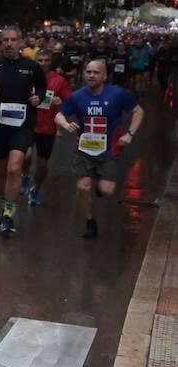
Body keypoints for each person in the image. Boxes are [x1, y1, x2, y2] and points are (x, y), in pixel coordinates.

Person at [56, 59, 143, 239]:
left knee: (107, 190)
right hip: (83, 150)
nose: (91, 75)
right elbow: (59, 114)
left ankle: (100, 184)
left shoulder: (117, 94)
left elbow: (138, 111)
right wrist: (64, 124)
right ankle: (90, 222)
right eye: (88, 72)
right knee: (83, 187)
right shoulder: (77, 96)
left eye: (96, 72)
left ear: (104, 76)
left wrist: (130, 134)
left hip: (109, 151)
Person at [0, 25, 47, 235]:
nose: (9, 43)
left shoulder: (31, 67)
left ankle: (8, 213)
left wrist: (38, 98)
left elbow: (42, 88)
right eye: (5, 40)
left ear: (20, 42)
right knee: (3, 171)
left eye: (13, 40)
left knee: (16, 168)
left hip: (22, 125)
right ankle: (7, 199)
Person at [21, 48, 70, 206]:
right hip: (28, 124)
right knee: (26, 156)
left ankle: (35, 189)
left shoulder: (59, 81)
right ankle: (24, 175)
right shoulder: (27, 78)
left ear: (51, 62)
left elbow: (70, 102)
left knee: (42, 164)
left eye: (46, 60)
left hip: (47, 127)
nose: (43, 64)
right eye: (40, 60)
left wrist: (60, 101)